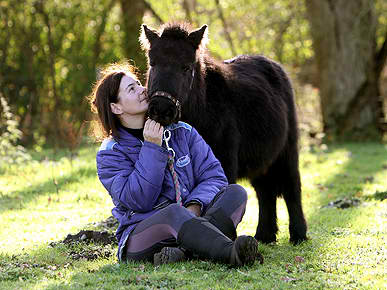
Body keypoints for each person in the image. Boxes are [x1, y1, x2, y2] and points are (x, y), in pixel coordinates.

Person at [89, 63, 263, 266]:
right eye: (131, 89)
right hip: (141, 236)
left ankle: (185, 251)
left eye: (138, 83)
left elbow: (214, 176)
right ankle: (230, 253)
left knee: (235, 193)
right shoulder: (110, 153)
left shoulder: (182, 132)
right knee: (173, 212)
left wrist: (195, 205)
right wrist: (152, 148)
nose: (142, 89)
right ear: (115, 107)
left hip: (192, 219)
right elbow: (139, 200)